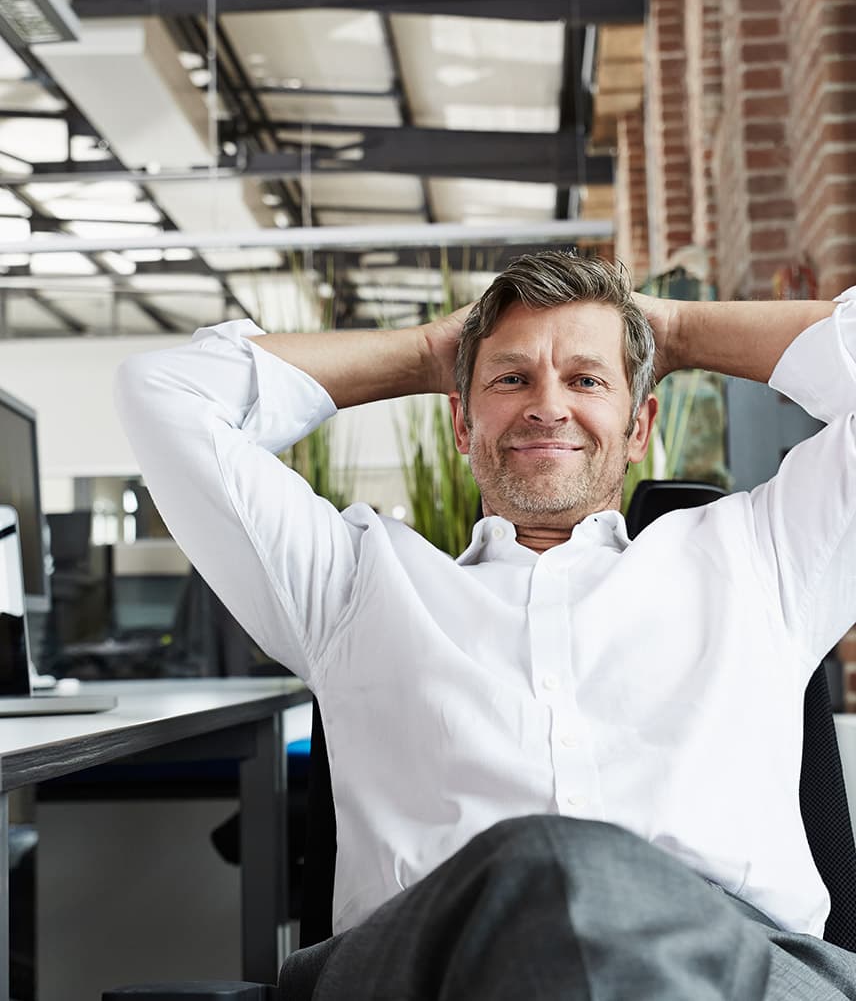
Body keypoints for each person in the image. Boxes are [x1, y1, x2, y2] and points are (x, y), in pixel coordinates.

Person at [116, 251, 856, 999]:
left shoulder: (765, 557)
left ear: (641, 426)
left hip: (740, 964)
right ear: (461, 421)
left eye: (587, 379)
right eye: (511, 378)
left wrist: (679, 328)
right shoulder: (353, 583)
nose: (547, 405)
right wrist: (429, 350)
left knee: (577, 876)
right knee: (546, 868)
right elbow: (165, 392)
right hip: (435, 964)